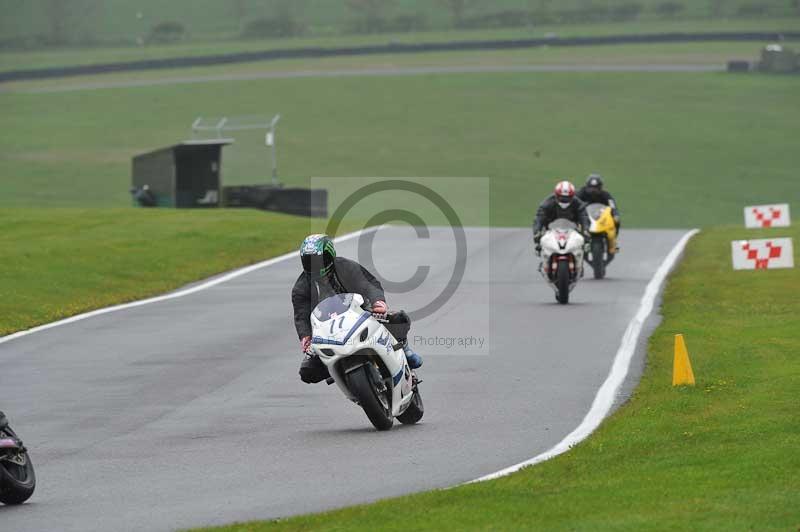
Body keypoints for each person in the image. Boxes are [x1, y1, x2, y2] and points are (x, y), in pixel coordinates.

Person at [291, 234, 423, 384]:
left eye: (320, 259)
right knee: (307, 372)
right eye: (310, 261)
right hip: (329, 331)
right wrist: (305, 336)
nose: (316, 265)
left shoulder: (346, 266)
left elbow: (367, 284)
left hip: (361, 315)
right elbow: (301, 316)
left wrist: (377, 302)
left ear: (331, 255)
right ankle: (338, 371)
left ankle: (403, 349)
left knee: (398, 319)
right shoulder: (301, 287)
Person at [532, 180, 591, 254]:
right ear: (556, 195)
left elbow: (584, 217)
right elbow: (539, 217)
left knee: (583, 246)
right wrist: (537, 231)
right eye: (561, 197)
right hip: (550, 231)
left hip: (573, 231)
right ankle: (545, 261)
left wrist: (586, 231)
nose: (564, 200)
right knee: (540, 246)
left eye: (567, 198)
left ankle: (579, 263)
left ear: (572, 196)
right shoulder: (547, 203)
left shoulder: (578, 203)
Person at [576, 173, 620, 248]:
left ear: (600, 188)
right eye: (591, 188)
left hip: (600, 216)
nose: (593, 190)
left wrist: (615, 214)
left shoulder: (605, 194)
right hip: (585, 216)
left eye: (596, 188)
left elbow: (612, 205)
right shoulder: (581, 193)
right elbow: (574, 202)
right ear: (587, 186)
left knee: (616, 220)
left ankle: (613, 240)